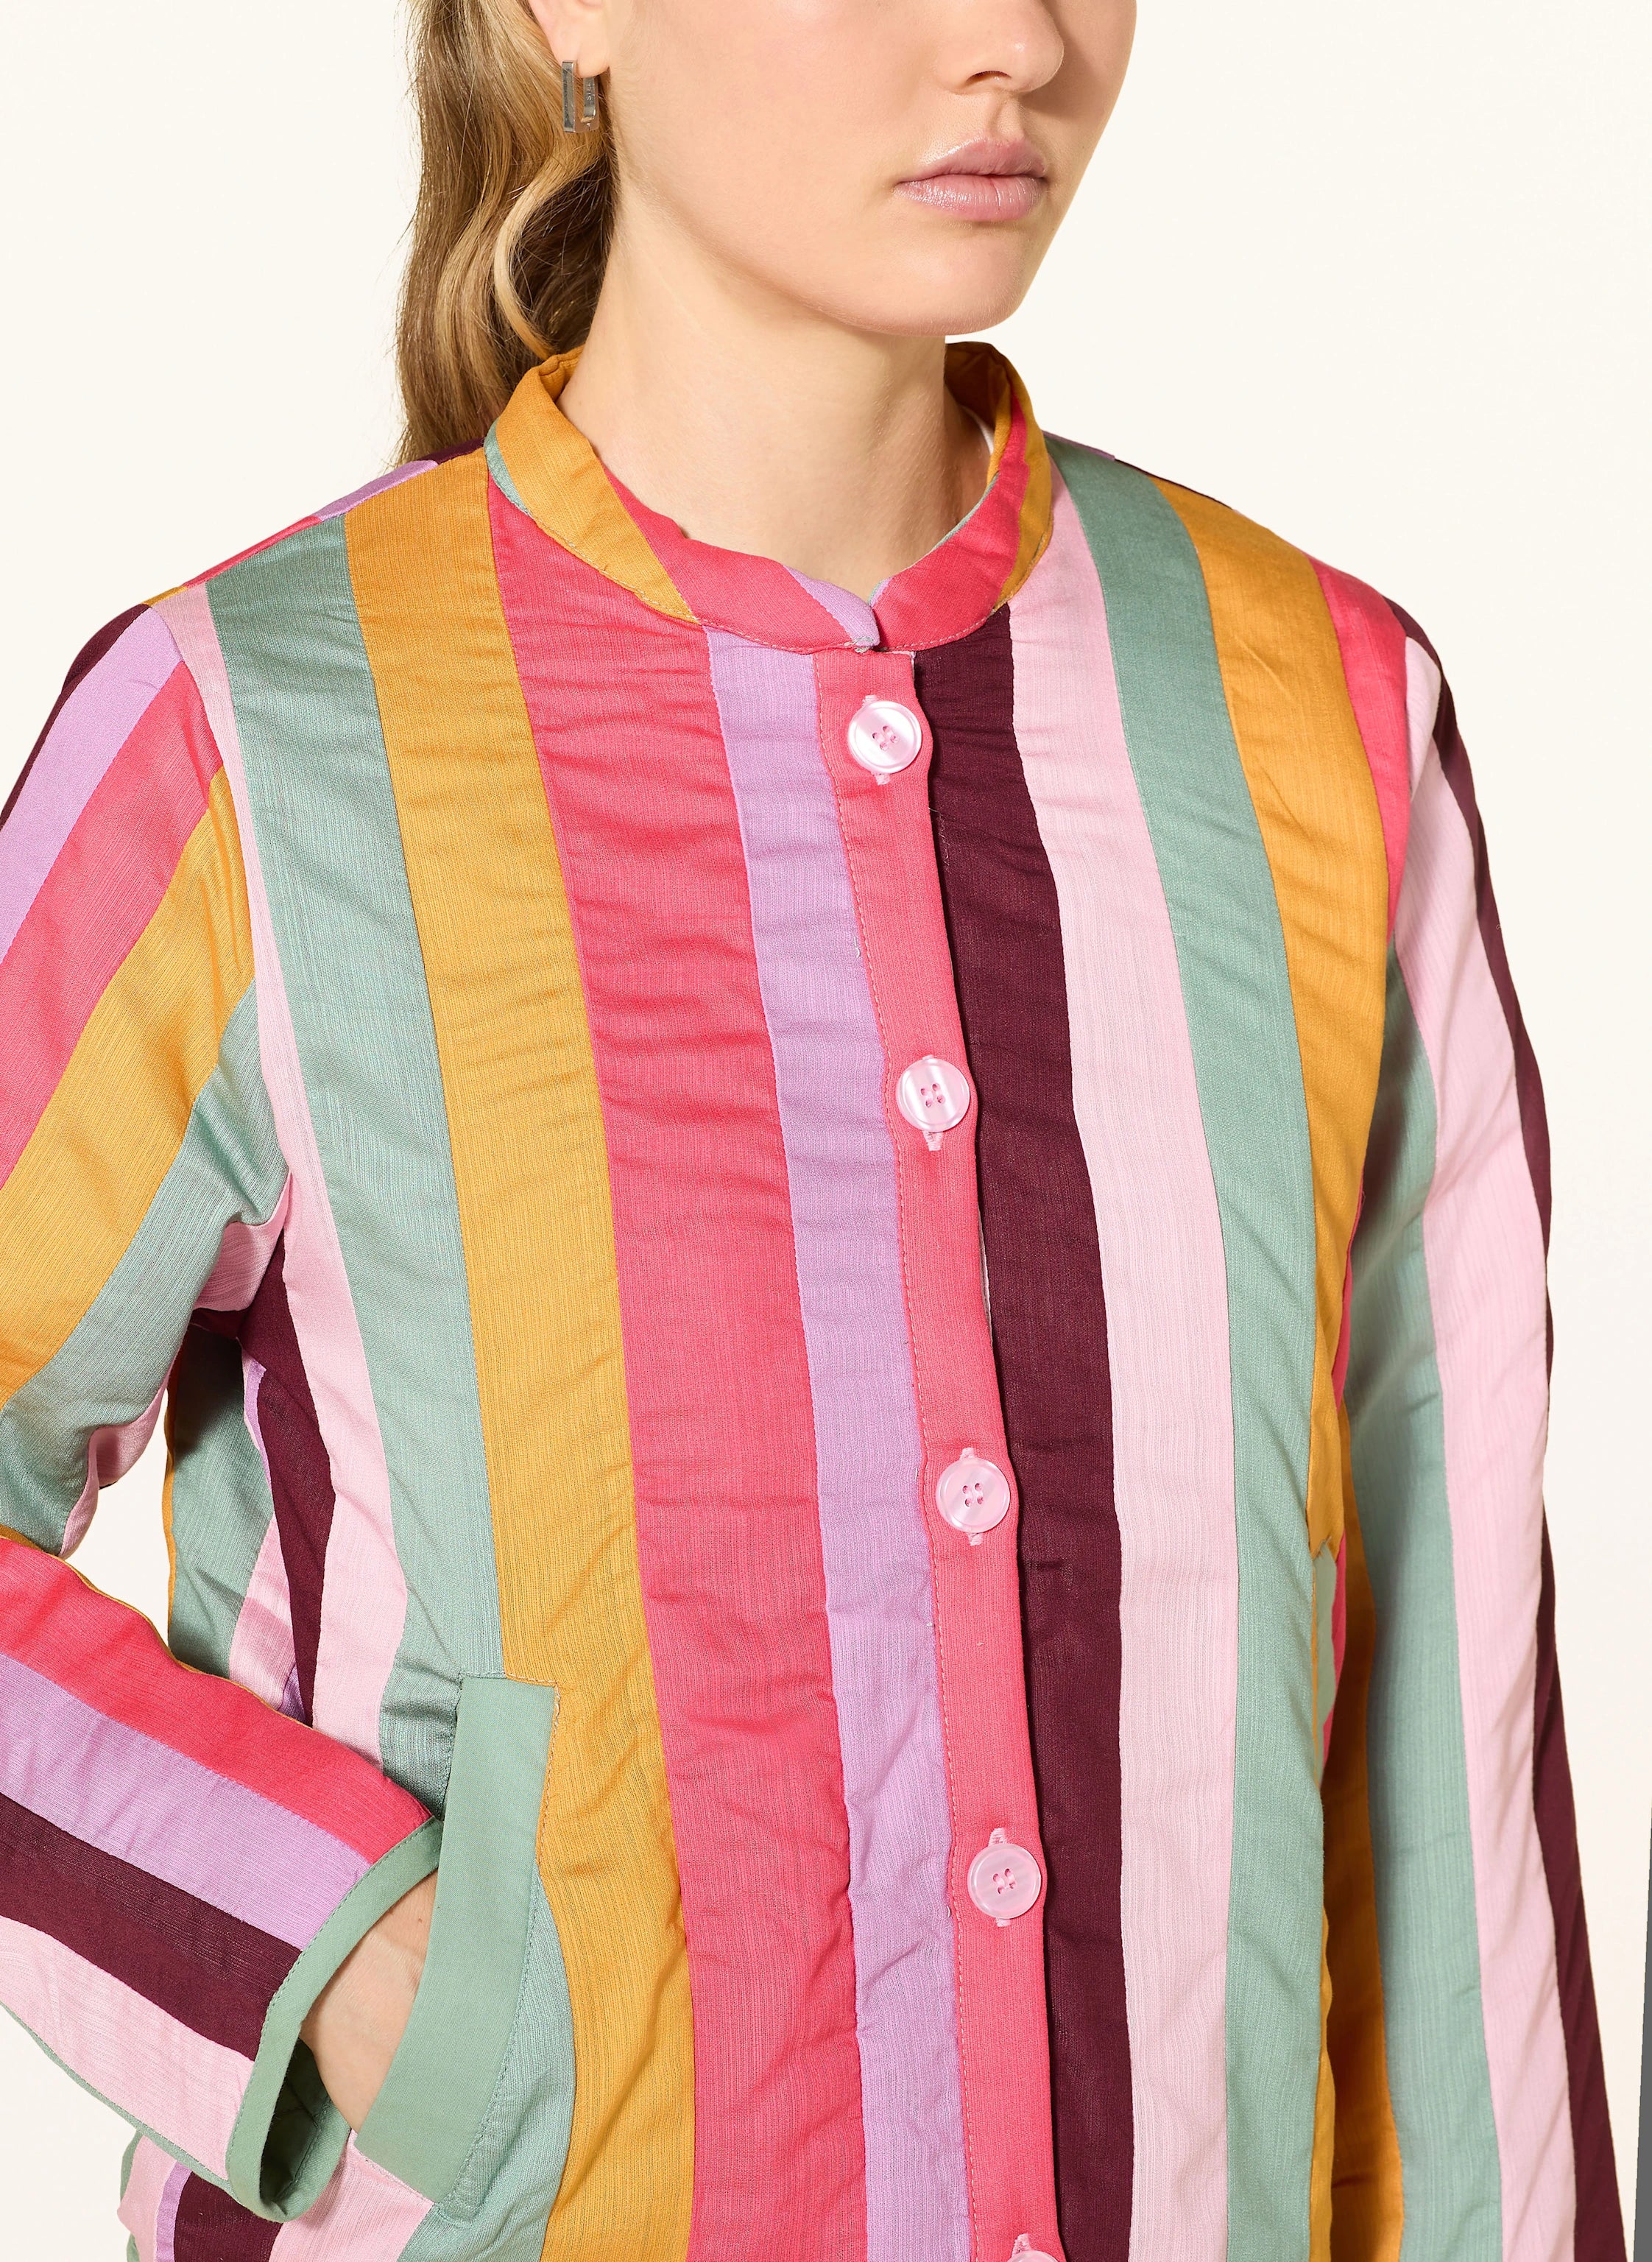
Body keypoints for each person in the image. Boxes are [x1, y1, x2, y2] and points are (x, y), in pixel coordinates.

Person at [0, 0, 1625, 2255]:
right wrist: (333, 1962)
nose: (1015, 42)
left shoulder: (1325, 722)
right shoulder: (251, 735)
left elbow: (1443, 1734)